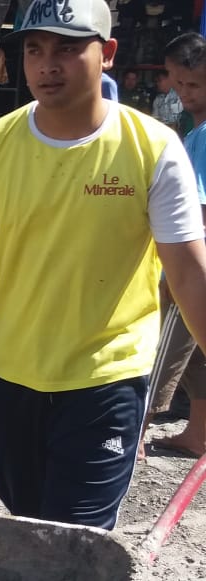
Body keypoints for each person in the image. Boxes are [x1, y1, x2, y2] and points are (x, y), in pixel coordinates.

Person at [0, 0, 206, 531]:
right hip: (12, 377)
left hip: (107, 379)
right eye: (35, 50)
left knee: (75, 539)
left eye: (68, 49)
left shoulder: (153, 149)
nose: (47, 65)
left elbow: (189, 273)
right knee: (27, 522)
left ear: (109, 54)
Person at [141, 32, 206, 459]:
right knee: (199, 352)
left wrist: (170, 272)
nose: (184, 93)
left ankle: (130, 435)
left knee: (159, 353)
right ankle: (197, 433)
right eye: (177, 82)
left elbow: (193, 213)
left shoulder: (201, 138)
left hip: (192, 267)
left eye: (194, 85)